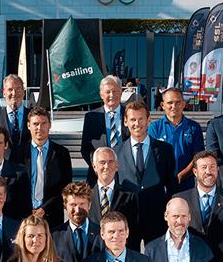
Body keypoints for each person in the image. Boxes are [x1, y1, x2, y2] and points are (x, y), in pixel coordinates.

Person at [115, 100, 177, 246]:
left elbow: (172, 186)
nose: (137, 123)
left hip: (156, 218)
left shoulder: (165, 150)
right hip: (127, 220)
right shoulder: (116, 152)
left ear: (148, 120)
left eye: (141, 119)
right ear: (125, 122)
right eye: (132, 119)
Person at [148, 87, 205, 190]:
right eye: (170, 103)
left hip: (186, 185)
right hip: (161, 186)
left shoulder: (194, 127)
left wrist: (182, 175)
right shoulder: (154, 128)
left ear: (183, 104)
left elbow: (198, 156)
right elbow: (150, 156)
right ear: (163, 105)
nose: (174, 106)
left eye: (177, 102)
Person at [25, 107, 73, 229]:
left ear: (50, 125)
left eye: (43, 123)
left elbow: (65, 187)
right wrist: (27, 209)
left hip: (52, 216)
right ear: (28, 126)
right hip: (23, 215)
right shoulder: (18, 153)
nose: (39, 128)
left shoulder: (62, 153)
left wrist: (44, 209)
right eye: (35, 124)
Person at [87, 146, 140, 250]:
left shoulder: (129, 195)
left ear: (117, 166)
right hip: (93, 255)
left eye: (111, 162)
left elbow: (134, 232)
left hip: (120, 254)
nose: (106, 166)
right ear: (94, 166)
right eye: (102, 162)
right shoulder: (86, 196)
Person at [81, 75, 129, 183]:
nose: (111, 95)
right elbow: (85, 148)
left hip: (126, 175)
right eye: (108, 92)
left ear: (121, 92)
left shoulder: (130, 114)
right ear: (101, 94)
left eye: (115, 91)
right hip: (99, 176)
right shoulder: (91, 117)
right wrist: (99, 166)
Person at [0, 74, 31, 162]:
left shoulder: (33, 117)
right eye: (10, 89)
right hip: (3, 171)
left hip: (29, 169)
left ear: (23, 92)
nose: (14, 93)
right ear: (4, 93)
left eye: (18, 89)